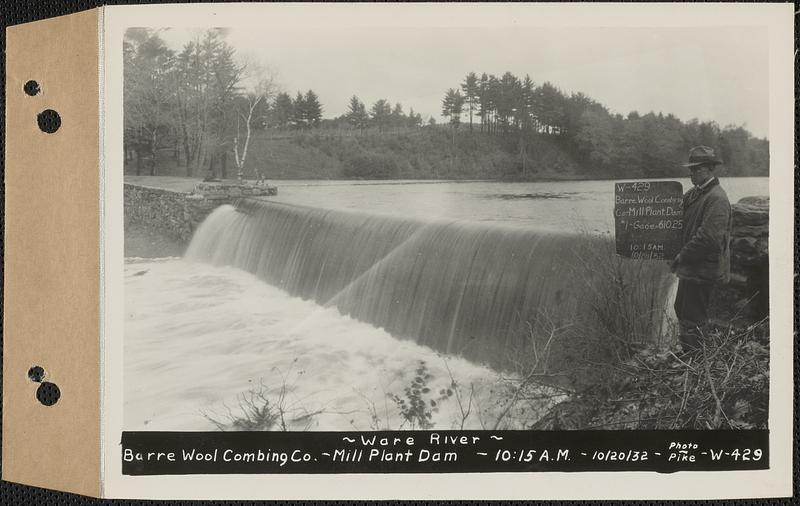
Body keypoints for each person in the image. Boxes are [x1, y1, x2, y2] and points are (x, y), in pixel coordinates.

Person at [670, 146, 731, 352]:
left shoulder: (717, 198)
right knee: (681, 308)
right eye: (691, 169)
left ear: (709, 169)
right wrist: (627, 216)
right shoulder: (694, 194)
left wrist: (682, 255)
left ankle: (696, 359)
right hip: (692, 267)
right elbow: (668, 214)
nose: (691, 173)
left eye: (696, 169)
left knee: (693, 315)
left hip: (704, 269)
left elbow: (709, 238)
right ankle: (691, 355)